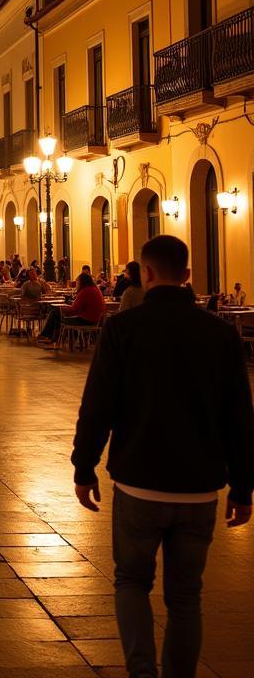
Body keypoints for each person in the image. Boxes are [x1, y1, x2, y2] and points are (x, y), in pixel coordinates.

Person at [72, 235, 253, 678]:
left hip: (138, 483)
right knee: (186, 596)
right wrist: (244, 487)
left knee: (132, 582)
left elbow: (98, 405)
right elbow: (240, 417)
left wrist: (84, 466)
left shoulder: (123, 329)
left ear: (146, 272)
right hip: (198, 489)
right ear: (187, 276)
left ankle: (141, 672)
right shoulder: (220, 334)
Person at [38, 272, 104, 346]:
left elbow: (75, 310)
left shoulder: (85, 291)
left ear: (82, 282)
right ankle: (53, 338)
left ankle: (46, 336)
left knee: (55, 312)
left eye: (77, 282)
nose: (76, 284)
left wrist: (63, 310)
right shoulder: (94, 289)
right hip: (94, 319)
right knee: (58, 314)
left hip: (85, 320)